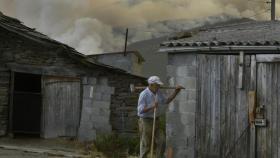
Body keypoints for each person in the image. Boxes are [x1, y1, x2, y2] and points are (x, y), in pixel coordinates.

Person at [137, 76, 184, 158]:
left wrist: (176, 91)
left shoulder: (158, 92)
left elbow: (167, 100)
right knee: (146, 144)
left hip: (156, 120)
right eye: (157, 85)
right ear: (151, 85)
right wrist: (152, 106)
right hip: (146, 121)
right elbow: (140, 110)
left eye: (159, 85)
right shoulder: (143, 94)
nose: (159, 86)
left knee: (162, 141)